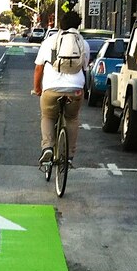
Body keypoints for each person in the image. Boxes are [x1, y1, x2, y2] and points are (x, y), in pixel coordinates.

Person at [32, 10, 90, 168]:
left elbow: (38, 69)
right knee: (72, 118)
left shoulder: (49, 42)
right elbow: (84, 67)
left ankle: (47, 147)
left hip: (52, 88)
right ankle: (69, 156)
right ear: (78, 25)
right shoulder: (83, 44)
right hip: (75, 89)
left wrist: (37, 89)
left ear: (60, 25)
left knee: (48, 116)